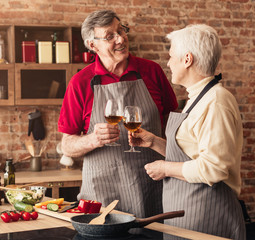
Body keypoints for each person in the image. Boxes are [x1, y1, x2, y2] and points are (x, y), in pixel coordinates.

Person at [129, 24, 246, 239]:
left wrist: (165, 168)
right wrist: (154, 142)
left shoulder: (216, 102)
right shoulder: (198, 97)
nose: (168, 63)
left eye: (171, 56)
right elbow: (191, 155)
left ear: (187, 59)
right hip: (188, 215)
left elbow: (214, 168)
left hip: (209, 215)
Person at [58, 9, 178, 218]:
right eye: (110, 36)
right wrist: (93, 140)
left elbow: (173, 127)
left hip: (152, 189)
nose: (121, 39)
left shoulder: (152, 71)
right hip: (102, 198)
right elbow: (66, 144)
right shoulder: (80, 83)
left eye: (121, 31)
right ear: (92, 45)